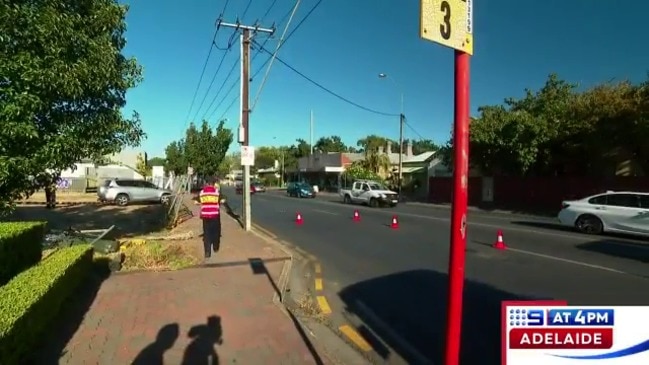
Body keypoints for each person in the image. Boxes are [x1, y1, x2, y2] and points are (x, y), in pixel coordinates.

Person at [199, 178, 221, 260]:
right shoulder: (216, 192)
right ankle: (215, 247)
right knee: (215, 232)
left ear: (207, 183)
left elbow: (201, 202)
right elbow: (218, 202)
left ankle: (207, 252)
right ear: (213, 184)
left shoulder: (202, 193)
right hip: (214, 215)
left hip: (205, 215)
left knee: (206, 234)